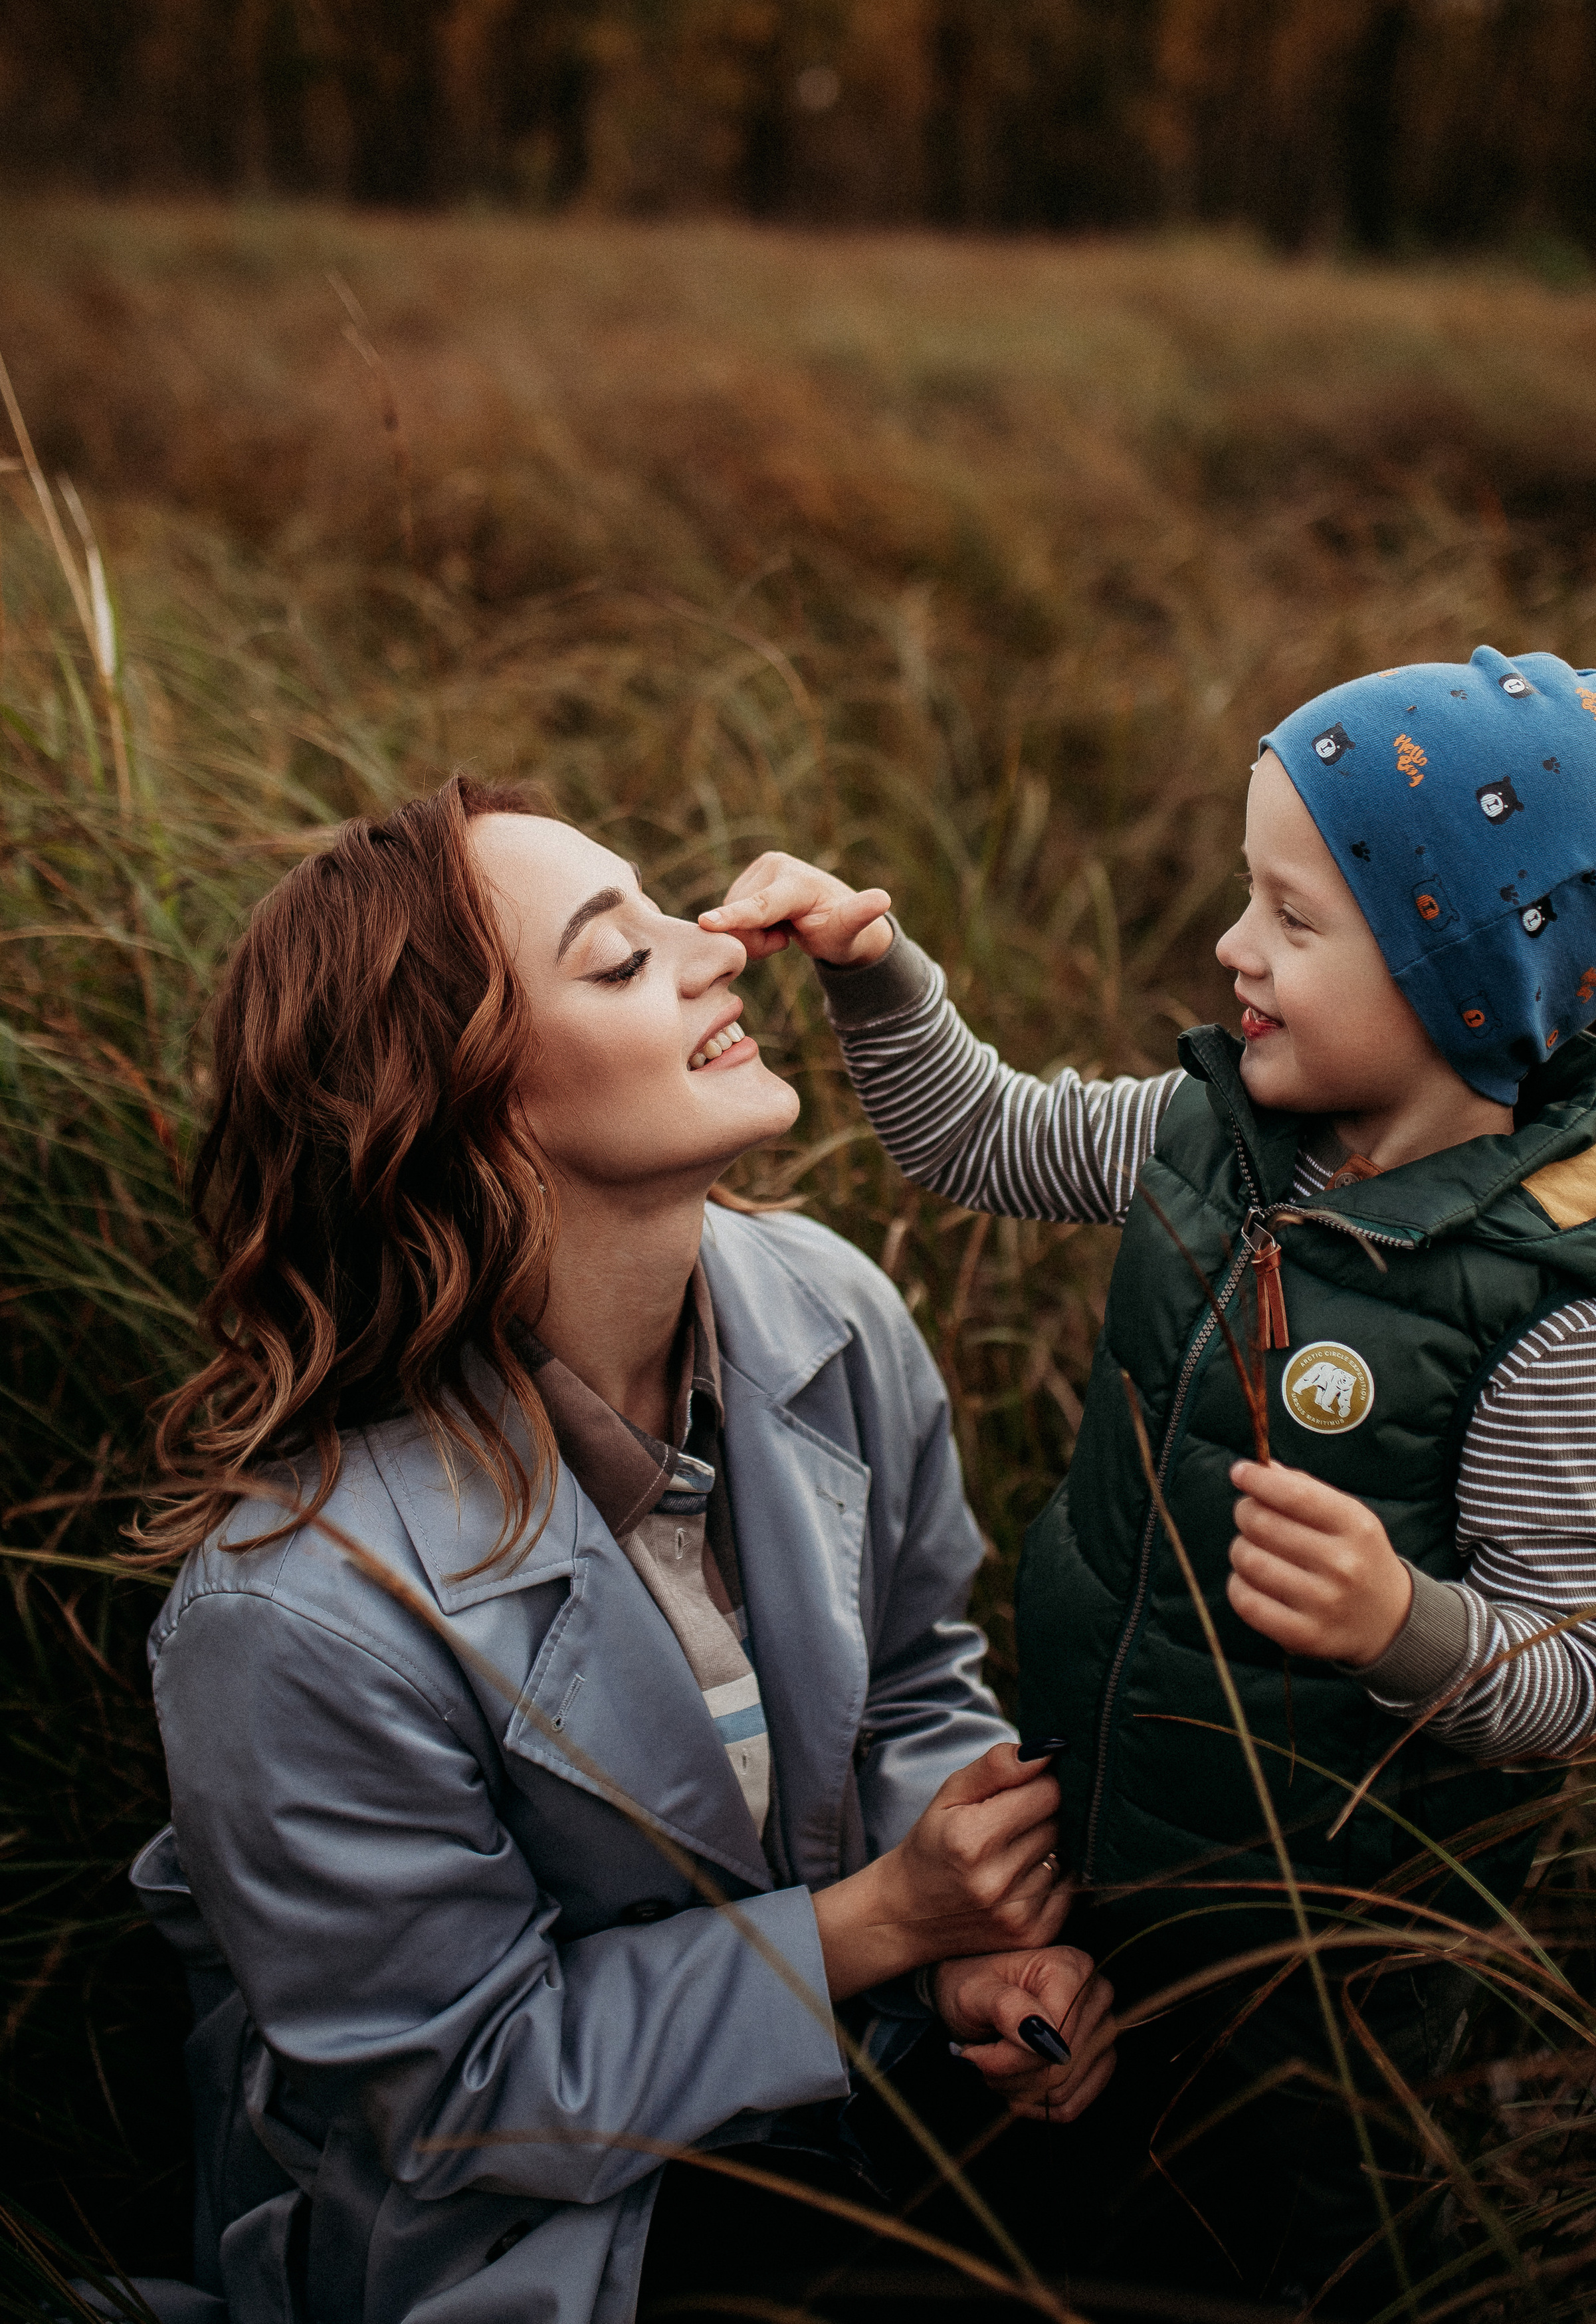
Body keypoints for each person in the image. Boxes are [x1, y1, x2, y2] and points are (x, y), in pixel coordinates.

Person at [702, 644, 1596, 2313]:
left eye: (1293, 920)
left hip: (1327, 1948)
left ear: (1461, 986)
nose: (1233, 948)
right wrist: (878, 976)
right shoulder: (1202, 1128)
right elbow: (985, 1137)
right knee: (1063, 2166)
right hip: (1104, 1820)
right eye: (1250, 897)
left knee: (1276, 2240)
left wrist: (1399, 1623)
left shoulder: (1554, 1312)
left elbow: (1572, 1673)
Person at [122, 778, 1117, 2324]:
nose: (720, 948)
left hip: (878, 2090)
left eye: (668, 913)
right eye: (618, 957)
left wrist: (974, 1950)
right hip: (555, 2246)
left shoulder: (832, 1309)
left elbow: (918, 1678)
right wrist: (877, 1927)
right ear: (464, 1108)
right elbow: (470, 2093)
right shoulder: (293, 1615)